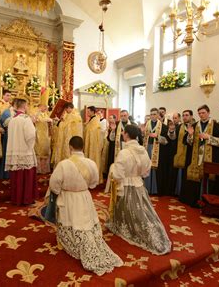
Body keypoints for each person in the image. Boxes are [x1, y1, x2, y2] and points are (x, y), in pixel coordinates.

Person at [50, 136, 123, 275]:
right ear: (82, 147)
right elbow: (94, 183)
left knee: (71, 223)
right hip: (84, 197)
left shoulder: (63, 164)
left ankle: (73, 243)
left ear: (70, 147)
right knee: (85, 224)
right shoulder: (91, 163)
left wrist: (59, 192)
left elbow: (54, 184)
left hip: (68, 198)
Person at [106, 125, 171, 255]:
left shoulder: (124, 152)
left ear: (126, 135)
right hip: (139, 185)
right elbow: (146, 171)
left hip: (126, 185)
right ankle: (154, 232)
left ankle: (129, 228)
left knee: (129, 211)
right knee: (143, 210)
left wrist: (112, 171)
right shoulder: (143, 150)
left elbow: (118, 174)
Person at [182, 105, 219, 207]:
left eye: (203, 113)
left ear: (208, 112)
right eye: (199, 113)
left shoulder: (217, 126)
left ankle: (208, 201)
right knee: (196, 177)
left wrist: (209, 137)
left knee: (208, 178)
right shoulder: (194, 126)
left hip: (211, 157)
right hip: (196, 157)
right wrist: (190, 135)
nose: (201, 115)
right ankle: (195, 200)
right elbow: (188, 143)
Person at [6, 98, 38, 205]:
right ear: (24, 106)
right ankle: (26, 199)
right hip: (25, 152)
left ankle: (16, 198)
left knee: (17, 178)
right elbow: (31, 136)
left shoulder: (12, 120)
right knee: (26, 177)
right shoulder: (26, 118)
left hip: (14, 151)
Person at [141, 108, 169, 195]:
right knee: (147, 167)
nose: (153, 116)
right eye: (151, 114)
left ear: (157, 115)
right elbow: (142, 139)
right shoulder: (145, 125)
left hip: (158, 151)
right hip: (147, 149)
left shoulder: (164, 126)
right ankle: (146, 187)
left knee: (155, 169)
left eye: (154, 114)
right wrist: (142, 133)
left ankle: (154, 189)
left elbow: (166, 141)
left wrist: (157, 136)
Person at [172, 110, 195, 196]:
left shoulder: (195, 126)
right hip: (180, 153)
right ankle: (178, 192)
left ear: (191, 116)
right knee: (180, 173)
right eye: (183, 115)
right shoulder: (179, 127)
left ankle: (187, 193)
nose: (185, 117)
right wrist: (171, 132)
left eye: (187, 115)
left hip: (191, 154)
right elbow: (173, 138)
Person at [84, 106, 103, 182]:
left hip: (94, 145)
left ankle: (94, 179)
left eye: (88, 111)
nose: (87, 113)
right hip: (89, 143)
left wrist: (88, 130)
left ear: (92, 112)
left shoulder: (96, 120)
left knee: (93, 160)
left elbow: (95, 131)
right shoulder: (91, 119)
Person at [34, 103, 52, 174]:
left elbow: (50, 121)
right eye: (44, 107)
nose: (45, 108)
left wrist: (51, 121)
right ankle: (39, 170)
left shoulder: (46, 114)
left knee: (46, 151)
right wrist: (47, 120)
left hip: (46, 135)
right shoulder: (36, 113)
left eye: (46, 107)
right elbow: (38, 121)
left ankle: (45, 169)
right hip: (39, 135)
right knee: (39, 151)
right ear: (40, 107)